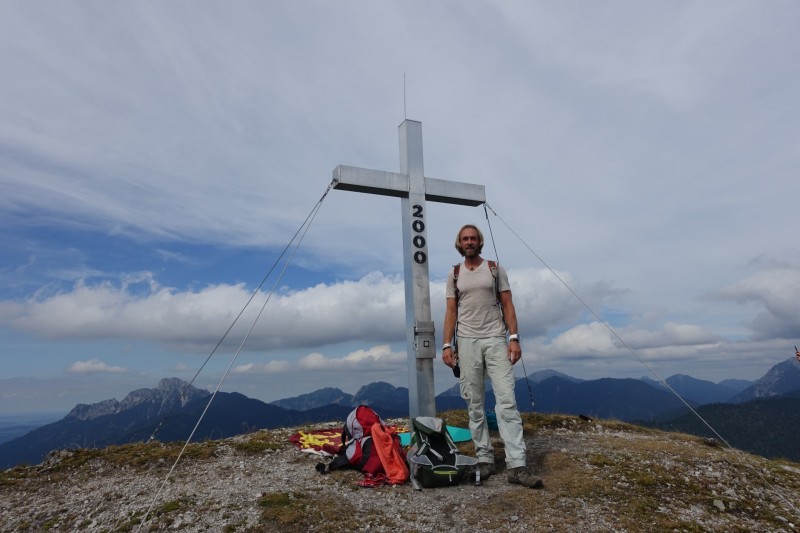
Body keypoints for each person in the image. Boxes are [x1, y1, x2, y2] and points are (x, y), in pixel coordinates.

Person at [441, 223, 543, 489]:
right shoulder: (454, 274)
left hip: (496, 339)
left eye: (473, 238)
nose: (469, 241)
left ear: (479, 242)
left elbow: (508, 303)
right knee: (474, 403)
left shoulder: (495, 269)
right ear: (459, 243)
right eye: (465, 238)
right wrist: (446, 345)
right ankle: (485, 459)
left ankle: (517, 465)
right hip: (466, 341)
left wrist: (513, 338)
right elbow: (451, 311)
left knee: (507, 402)